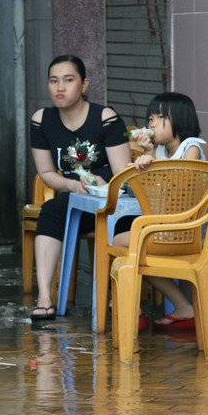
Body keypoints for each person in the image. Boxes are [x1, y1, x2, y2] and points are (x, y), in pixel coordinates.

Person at [29, 55, 131, 322]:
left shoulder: (105, 117)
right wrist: (74, 185)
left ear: (84, 84)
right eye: (53, 81)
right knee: (51, 211)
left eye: (68, 80)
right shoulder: (42, 120)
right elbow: (47, 173)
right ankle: (44, 298)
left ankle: (121, 298)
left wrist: (103, 183)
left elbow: (124, 173)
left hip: (111, 201)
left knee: (126, 224)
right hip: (74, 200)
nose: (60, 87)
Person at [112, 92, 208, 330]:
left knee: (120, 243)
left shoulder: (191, 147)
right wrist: (148, 158)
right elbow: (153, 196)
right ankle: (147, 308)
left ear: (180, 119)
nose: (151, 124)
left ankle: (135, 308)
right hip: (165, 228)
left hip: (185, 230)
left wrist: (152, 160)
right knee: (128, 247)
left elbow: (179, 187)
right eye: (150, 118)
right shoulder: (161, 151)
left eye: (159, 117)